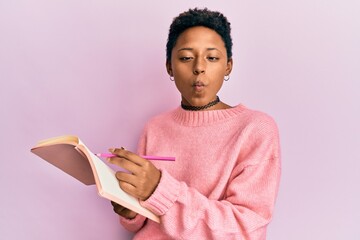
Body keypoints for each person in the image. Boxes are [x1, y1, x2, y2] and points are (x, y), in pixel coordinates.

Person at [108, 8, 281, 239]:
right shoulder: (155, 127)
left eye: (212, 57)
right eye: (186, 57)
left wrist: (159, 189)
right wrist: (130, 209)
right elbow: (144, 221)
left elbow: (245, 228)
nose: (199, 67)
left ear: (228, 65)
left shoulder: (255, 129)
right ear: (169, 66)